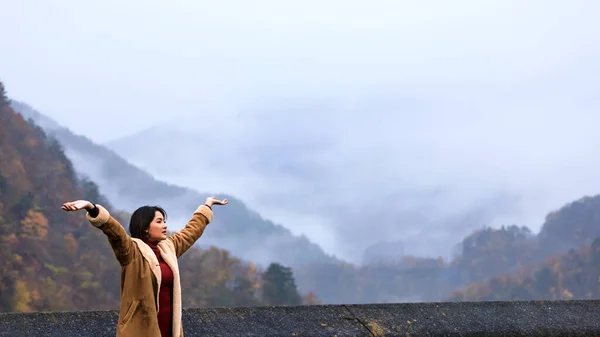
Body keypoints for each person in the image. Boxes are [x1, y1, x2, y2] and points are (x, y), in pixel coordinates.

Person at [61, 196, 228, 337]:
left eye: (164, 221)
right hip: (140, 330)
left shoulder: (168, 248)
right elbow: (115, 231)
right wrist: (91, 207)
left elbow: (191, 231)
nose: (165, 226)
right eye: (159, 221)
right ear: (146, 227)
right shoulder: (131, 251)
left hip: (169, 329)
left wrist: (207, 205)